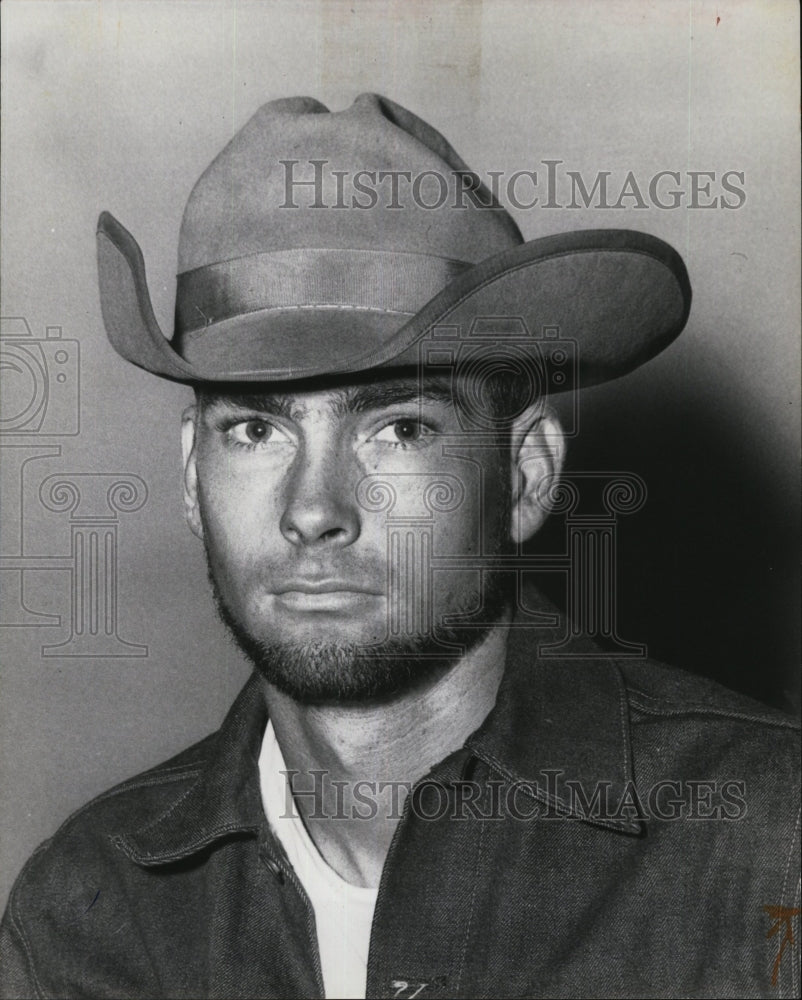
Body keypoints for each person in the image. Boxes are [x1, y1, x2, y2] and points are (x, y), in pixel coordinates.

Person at [0, 94, 798, 1000]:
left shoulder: (770, 847)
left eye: (400, 430)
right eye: (256, 432)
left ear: (527, 473)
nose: (314, 510)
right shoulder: (87, 909)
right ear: (191, 474)